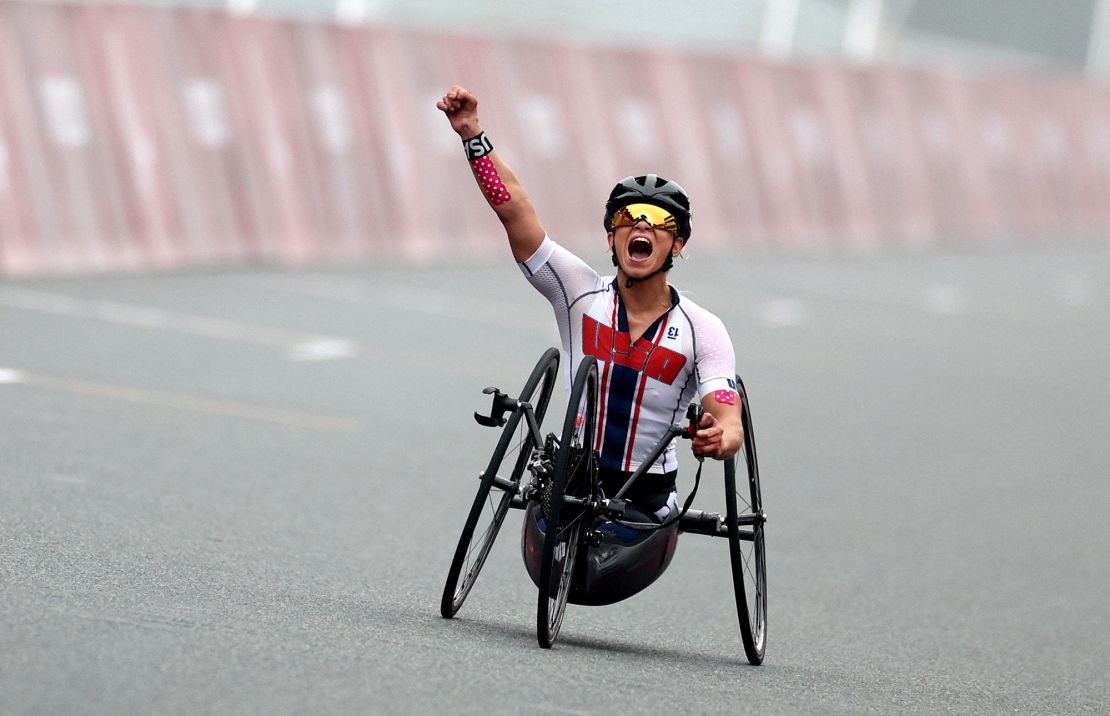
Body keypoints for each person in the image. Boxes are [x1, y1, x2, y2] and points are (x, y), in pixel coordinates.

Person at [437, 85, 743, 523]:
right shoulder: (577, 292)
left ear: (677, 244)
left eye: (659, 221)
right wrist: (472, 136)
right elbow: (515, 212)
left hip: (647, 497)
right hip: (573, 476)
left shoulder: (703, 329)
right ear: (611, 238)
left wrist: (720, 438)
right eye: (627, 217)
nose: (640, 223)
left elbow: (727, 416)